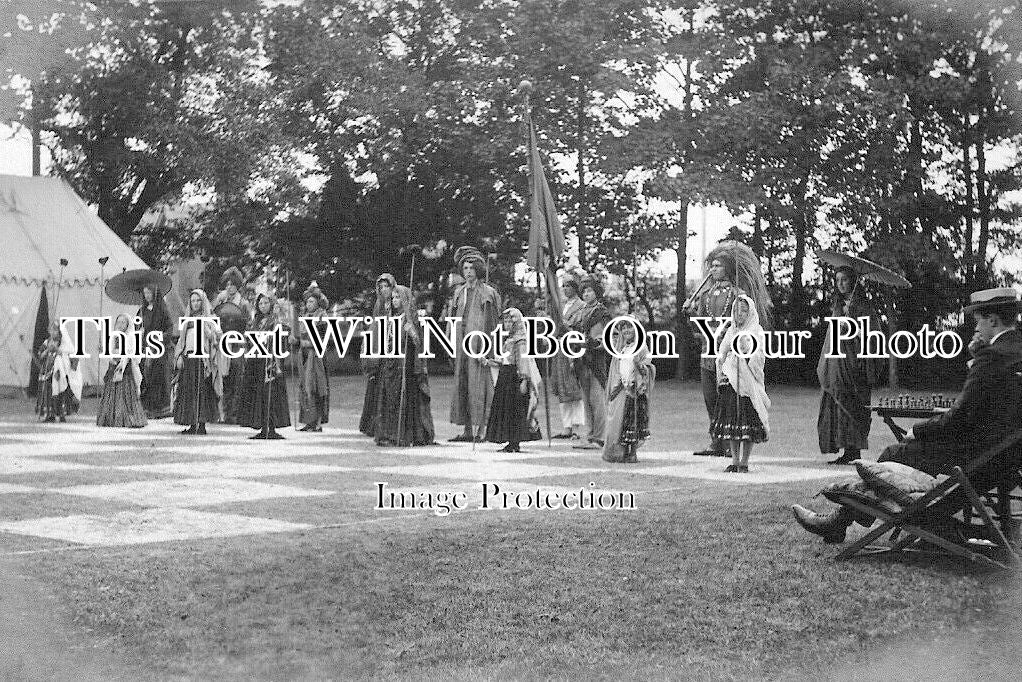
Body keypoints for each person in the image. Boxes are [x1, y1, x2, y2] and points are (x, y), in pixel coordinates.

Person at [793, 287, 1022, 543]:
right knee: (901, 457)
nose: (976, 328)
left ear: (993, 320)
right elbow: (987, 408)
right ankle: (842, 520)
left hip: (976, 455)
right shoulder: (1013, 352)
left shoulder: (991, 357)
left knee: (893, 453)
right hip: (1006, 456)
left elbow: (960, 416)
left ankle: (839, 520)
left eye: (979, 320)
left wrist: (919, 430)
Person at [683, 241, 772, 457]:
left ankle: (727, 440)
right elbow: (699, 326)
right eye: (711, 266)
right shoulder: (704, 295)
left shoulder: (738, 294)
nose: (713, 269)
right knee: (709, 396)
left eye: (718, 265)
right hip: (708, 352)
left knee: (726, 397)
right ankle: (716, 441)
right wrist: (689, 314)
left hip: (728, 354)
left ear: (728, 269)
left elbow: (741, 322)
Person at [817, 266, 881, 465]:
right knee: (836, 405)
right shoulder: (838, 307)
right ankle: (845, 449)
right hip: (837, 366)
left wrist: (853, 329)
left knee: (853, 405)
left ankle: (854, 451)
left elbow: (873, 336)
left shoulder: (864, 308)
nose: (841, 284)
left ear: (853, 282)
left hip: (855, 366)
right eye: (837, 280)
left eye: (844, 280)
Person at [445, 246, 500, 442]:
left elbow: (494, 322)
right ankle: (467, 430)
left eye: (471, 267)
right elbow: (452, 319)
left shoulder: (488, 292)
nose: (468, 271)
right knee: (463, 384)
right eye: (465, 268)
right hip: (461, 344)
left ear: (478, 269)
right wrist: (450, 341)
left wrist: (489, 347)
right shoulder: (459, 293)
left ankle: (482, 429)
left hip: (479, 345)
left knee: (480, 385)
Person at [711, 296, 770, 473]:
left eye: (743, 311)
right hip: (731, 381)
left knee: (747, 420)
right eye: (736, 310)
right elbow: (721, 352)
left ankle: (744, 461)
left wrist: (746, 351)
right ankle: (734, 460)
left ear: (750, 312)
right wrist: (724, 361)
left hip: (747, 384)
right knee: (732, 420)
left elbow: (759, 356)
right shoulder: (731, 330)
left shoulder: (756, 331)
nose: (739, 314)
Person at [375, 285, 436, 446]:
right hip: (391, 364)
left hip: (406, 365)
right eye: (393, 298)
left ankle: (404, 434)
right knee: (390, 398)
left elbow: (420, 344)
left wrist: (412, 333)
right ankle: (389, 433)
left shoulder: (412, 319)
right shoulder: (390, 318)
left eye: (398, 298)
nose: (395, 301)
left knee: (403, 398)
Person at [486, 308, 542, 453]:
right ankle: (510, 440)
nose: (507, 324)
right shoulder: (509, 339)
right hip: (505, 376)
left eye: (511, 321)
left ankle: (514, 441)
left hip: (513, 378)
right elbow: (504, 359)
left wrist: (523, 379)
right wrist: (488, 362)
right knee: (506, 409)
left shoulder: (520, 340)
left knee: (514, 410)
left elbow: (522, 361)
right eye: (505, 321)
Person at [602, 317, 655, 463]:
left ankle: (632, 452)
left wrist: (640, 367)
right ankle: (619, 451)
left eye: (630, 327)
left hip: (635, 390)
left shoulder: (641, 347)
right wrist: (618, 385)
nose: (627, 330)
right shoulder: (623, 348)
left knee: (633, 422)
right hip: (623, 388)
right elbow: (619, 367)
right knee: (623, 423)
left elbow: (648, 367)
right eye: (623, 328)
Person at [238, 294, 291, 440]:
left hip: (271, 361)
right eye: (260, 303)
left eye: (266, 303)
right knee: (259, 394)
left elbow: (284, 335)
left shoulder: (276, 320)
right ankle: (262, 426)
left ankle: (272, 427)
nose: (263, 306)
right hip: (257, 362)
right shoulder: (256, 321)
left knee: (272, 394)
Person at [173, 289, 225, 435]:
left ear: (203, 302)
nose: (195, 303)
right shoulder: (187, 319)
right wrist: (179, 356)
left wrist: (209, 332)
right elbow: (181, 341)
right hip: (188, 358)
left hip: (203, 360)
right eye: (193, 301)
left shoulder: (210, 318)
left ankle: (201, 424)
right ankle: (191, 423)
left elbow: (218, 337)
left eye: (198, 300)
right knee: (189, 391)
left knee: (202, 391)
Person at [571, 277, 612, 450]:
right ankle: (590, 434)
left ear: (596, 292)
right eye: (584, 291)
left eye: (590, 290)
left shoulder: (601, 312)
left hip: (596, 359)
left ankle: (600, 437)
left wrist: (590, 343)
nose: (587, 294)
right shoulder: (580, 312)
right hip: (582, 359)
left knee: (597, 399)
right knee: (586, 400)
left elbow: (603, 338)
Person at [550, 278, 587, 440]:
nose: (565, 289)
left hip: (573, 348)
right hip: (560, 349)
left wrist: (566, 325)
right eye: (563, 286)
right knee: (562, 388)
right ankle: (567, 426)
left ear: (575, 288)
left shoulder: (582, 306)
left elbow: (578, 327)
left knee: (574, 389)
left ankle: (577, 427)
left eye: (568, 286)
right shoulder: (561, 306)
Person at [96, 313, 148, 428]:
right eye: (118, 322)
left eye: (123, 322)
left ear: (128, 324)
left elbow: (131, 352)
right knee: (112, 391)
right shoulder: (114, 336)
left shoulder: (130, 336)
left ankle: (127, 417)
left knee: (124, 393)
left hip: (125, 368)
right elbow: (110, 350)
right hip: (114, 365)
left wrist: (122, 361)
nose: (120, 325)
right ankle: (110, 417)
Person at [214, 267, 250, 424]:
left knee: (237, 377)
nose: (229, 287)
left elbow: (248, 324)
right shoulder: (221, 301)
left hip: (237, 343)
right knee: (223, 377)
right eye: (227, 284)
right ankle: (224, 412)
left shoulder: (243, 304)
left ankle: (234, 414)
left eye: (233, 284)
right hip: (222, 342)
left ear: (237, 286)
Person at [361, 273, 396, 436]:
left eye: (386, 286)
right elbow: (376, 325)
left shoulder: (398, 301)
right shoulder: (379, 305)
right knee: (377, 385)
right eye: (380, 287)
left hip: (395, 347)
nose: (383, 290)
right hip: (381, 348)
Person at [295, 286, 331, 432]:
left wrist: (307, 343)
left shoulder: (322, 317)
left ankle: (317, 421)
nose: (308, 304)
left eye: (311, 301)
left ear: (317, 302)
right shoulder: (304, 317)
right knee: (305, 387)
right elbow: (299, 336)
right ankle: (308, 420)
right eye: (307, 302)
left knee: (316, 387)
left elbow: (323, 339)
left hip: (316, 357)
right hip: (303, 356)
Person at [35, 322, 82, 423]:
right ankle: (49, 414)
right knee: (48, 393)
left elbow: (69, 355)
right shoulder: (47, 342)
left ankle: (61, 414)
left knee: (61, 391)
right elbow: (40, 355)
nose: (53, 332)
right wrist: (48, 350)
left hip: (60, 373)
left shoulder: (64, 343)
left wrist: (57, 350)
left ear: (60, 332)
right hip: (48, 372)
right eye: (51, 330)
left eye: (55, 330)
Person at [137, 285, 172, 419]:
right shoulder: (141, 311)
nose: (147, 296)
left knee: (158, 377)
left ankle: (160, 408)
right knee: (146, 377)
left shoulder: (162, 310)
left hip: (159, 348)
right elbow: (137, 326)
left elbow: (169, 327)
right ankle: (147, 407)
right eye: (145, 293)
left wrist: (160, 338)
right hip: (146, 347)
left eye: (149, 293)